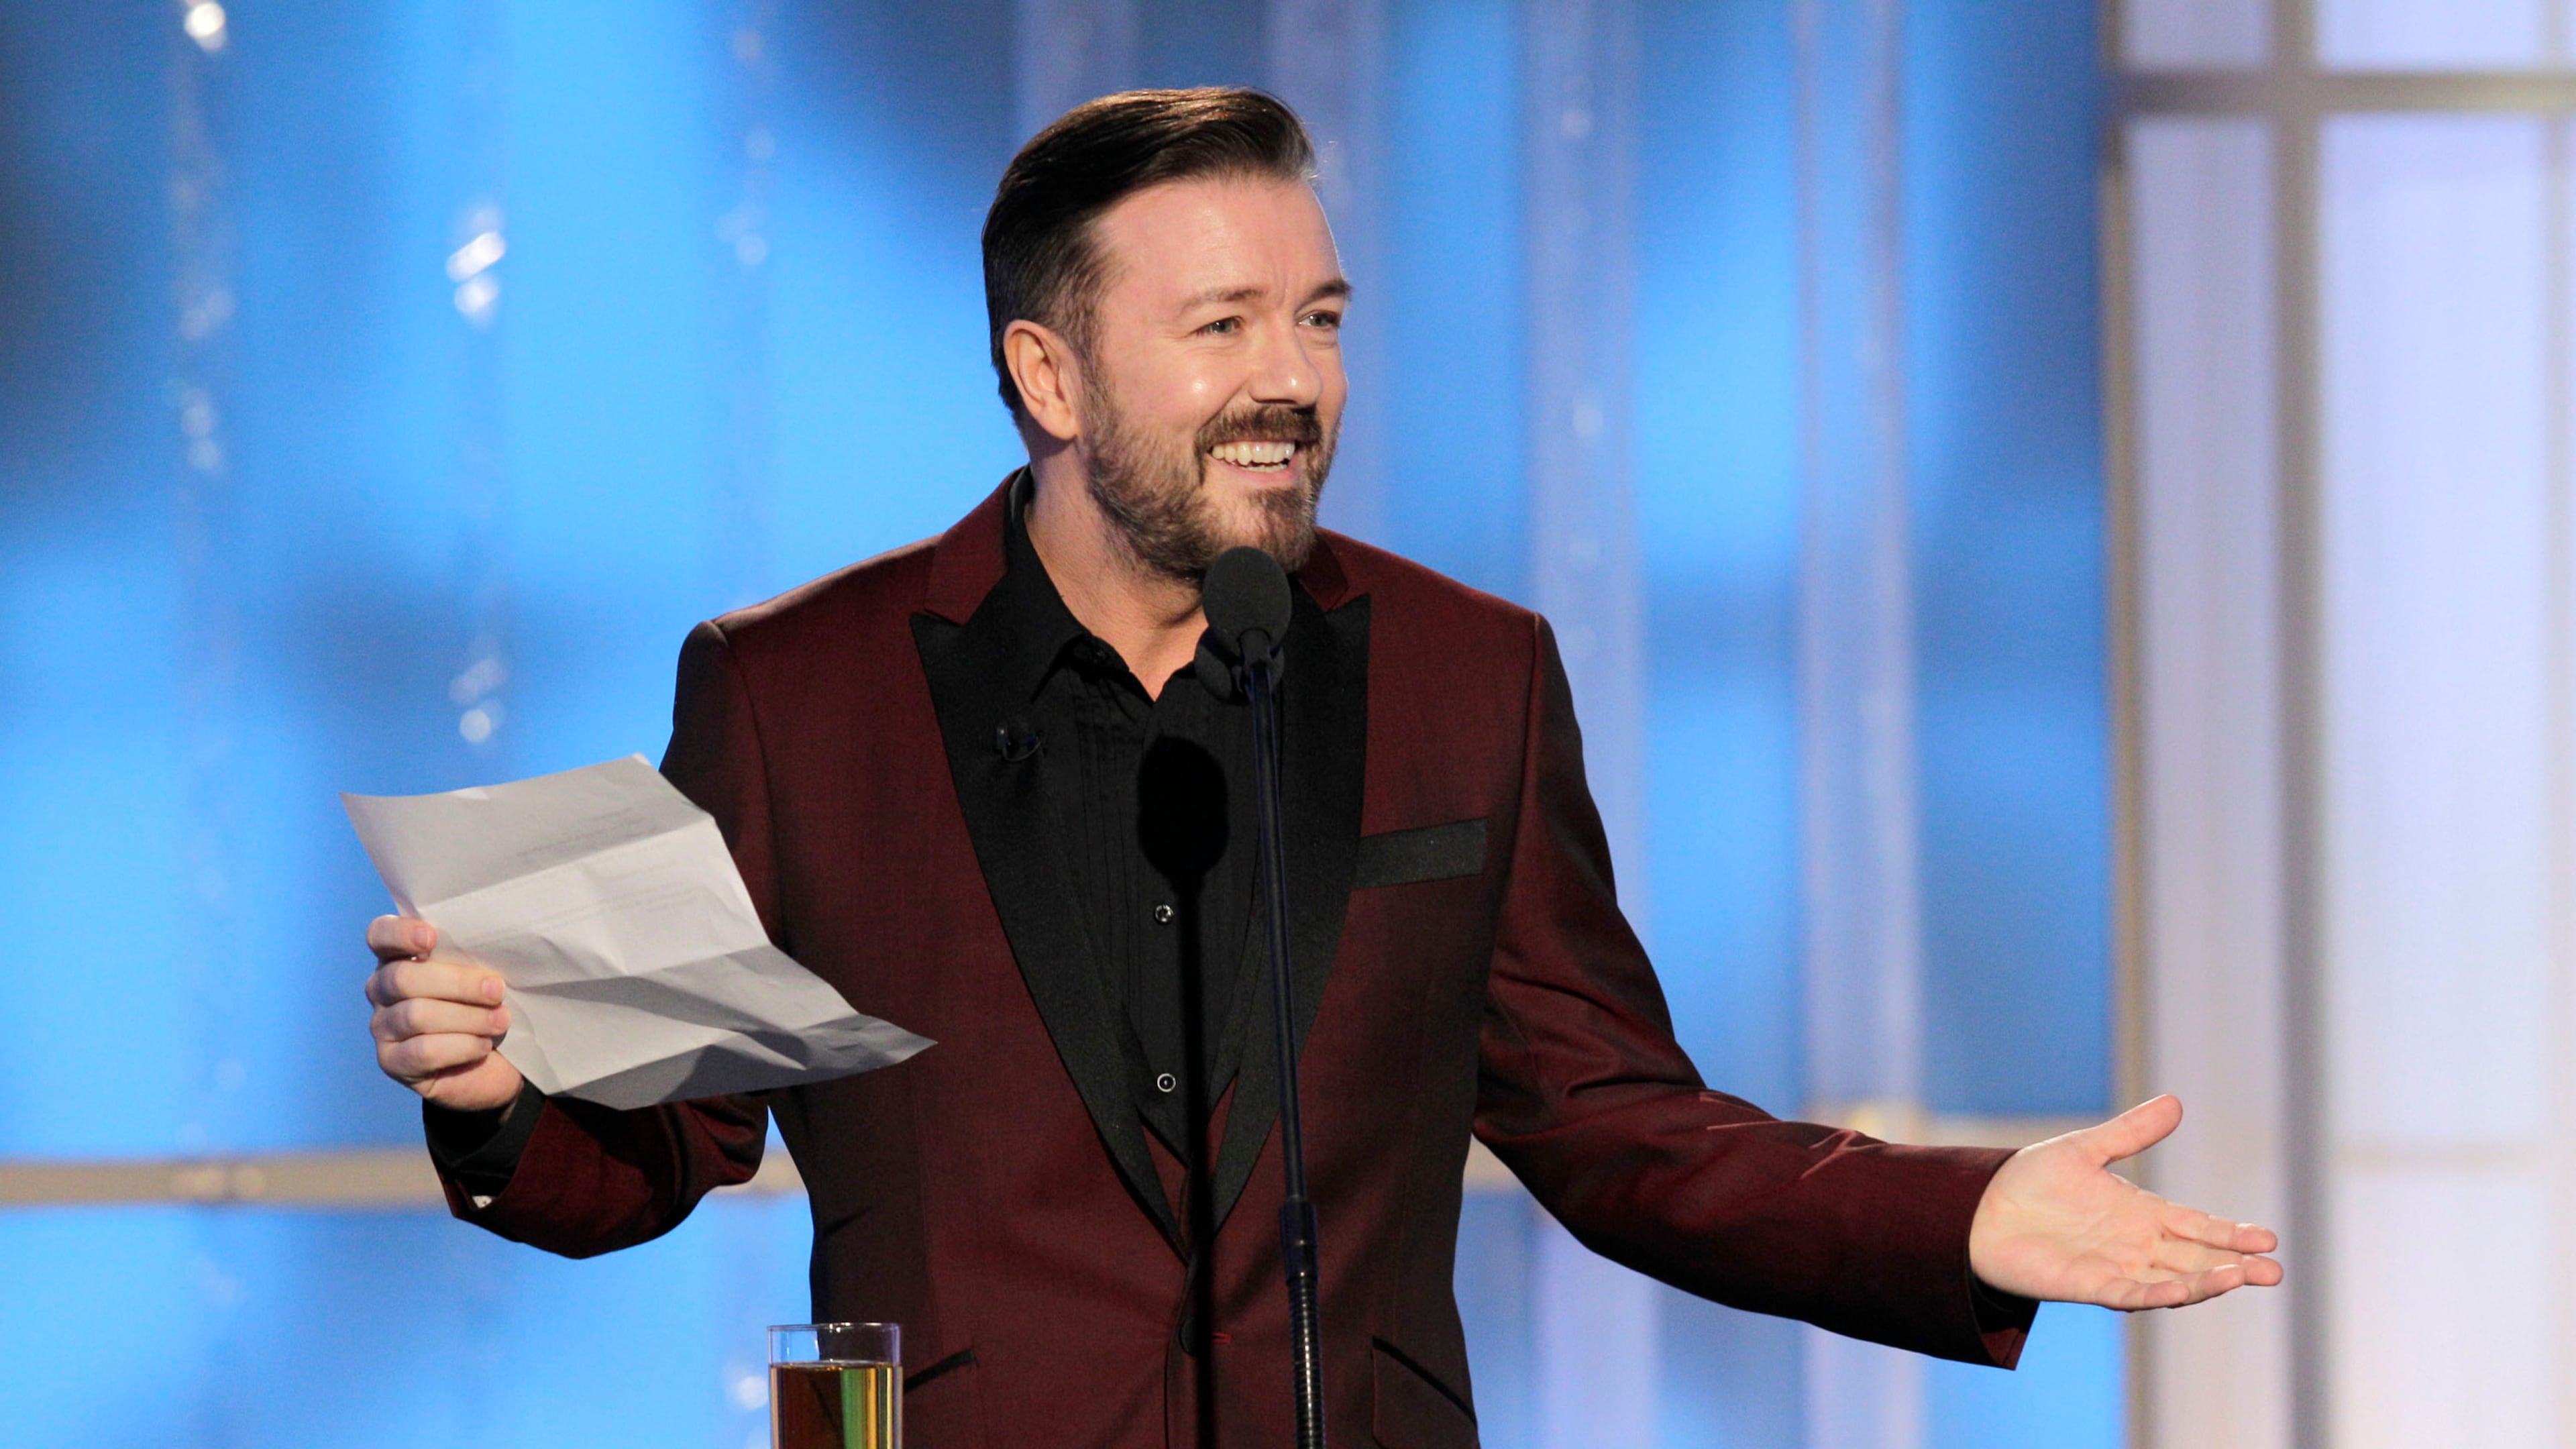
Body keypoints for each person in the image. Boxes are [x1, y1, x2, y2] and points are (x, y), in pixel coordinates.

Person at [362, 89, 2278, 1448]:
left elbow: (1615, 1125)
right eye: (1222, 328)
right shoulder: (793, 692)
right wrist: (492, 1091)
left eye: (1322, 318)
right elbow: (652, 1154)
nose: (1295, 376)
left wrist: (1948, 1215)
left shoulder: (1469, 675)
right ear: (1050, 376)